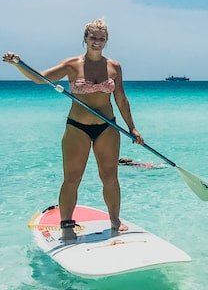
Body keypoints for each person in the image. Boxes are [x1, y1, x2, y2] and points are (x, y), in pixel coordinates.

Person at [4, 19, 143, 240]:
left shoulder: (114, 67)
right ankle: (66, 225)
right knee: (72, 178)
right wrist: (19, 64)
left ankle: (115, 220)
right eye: (93, 37)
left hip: (107, 126)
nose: (97, 42)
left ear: (107, 41)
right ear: (85, 38)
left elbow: (121, 100)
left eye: (101, 38)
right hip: (77, 128)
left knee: (110, 177)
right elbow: (40, 79)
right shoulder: (72, 65)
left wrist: (132, 128)